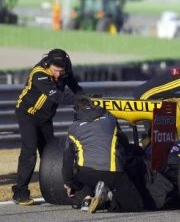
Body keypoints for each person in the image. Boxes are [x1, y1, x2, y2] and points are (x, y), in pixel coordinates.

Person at [12, 48, 84, 205]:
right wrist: (79, 101)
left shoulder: (64, 71)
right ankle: (20, 192)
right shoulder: (39, 73)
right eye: (55, 70)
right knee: (30, 152)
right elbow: (58, 96)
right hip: (28, 114)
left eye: (61, 71)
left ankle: (55, 188)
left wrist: (85, 99)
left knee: (50, 154)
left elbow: (75, 87)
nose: (58, 74)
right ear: (48, 64)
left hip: (45, 118)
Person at [63, 95, 144, 213]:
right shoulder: (110, 118)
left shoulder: (73, 128)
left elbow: (67, 160)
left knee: (87, 178)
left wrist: (69, 183)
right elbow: (123, 142)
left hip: (85, 173)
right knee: (136, 204)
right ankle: (107, 198)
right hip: (111, 171)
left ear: (77, 112)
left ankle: (85, 199)